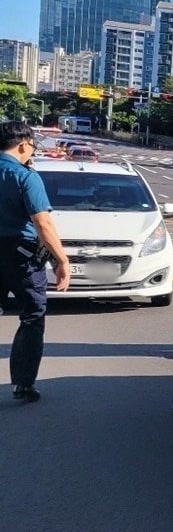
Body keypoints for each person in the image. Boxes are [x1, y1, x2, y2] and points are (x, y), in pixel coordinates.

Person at [0, 122, 70, 402]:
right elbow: (43, 224)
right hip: (21, 257)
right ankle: (23, 384)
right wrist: (61, 260)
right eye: (32, 146)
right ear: (22, 145)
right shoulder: (25, 177)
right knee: (32, 314)